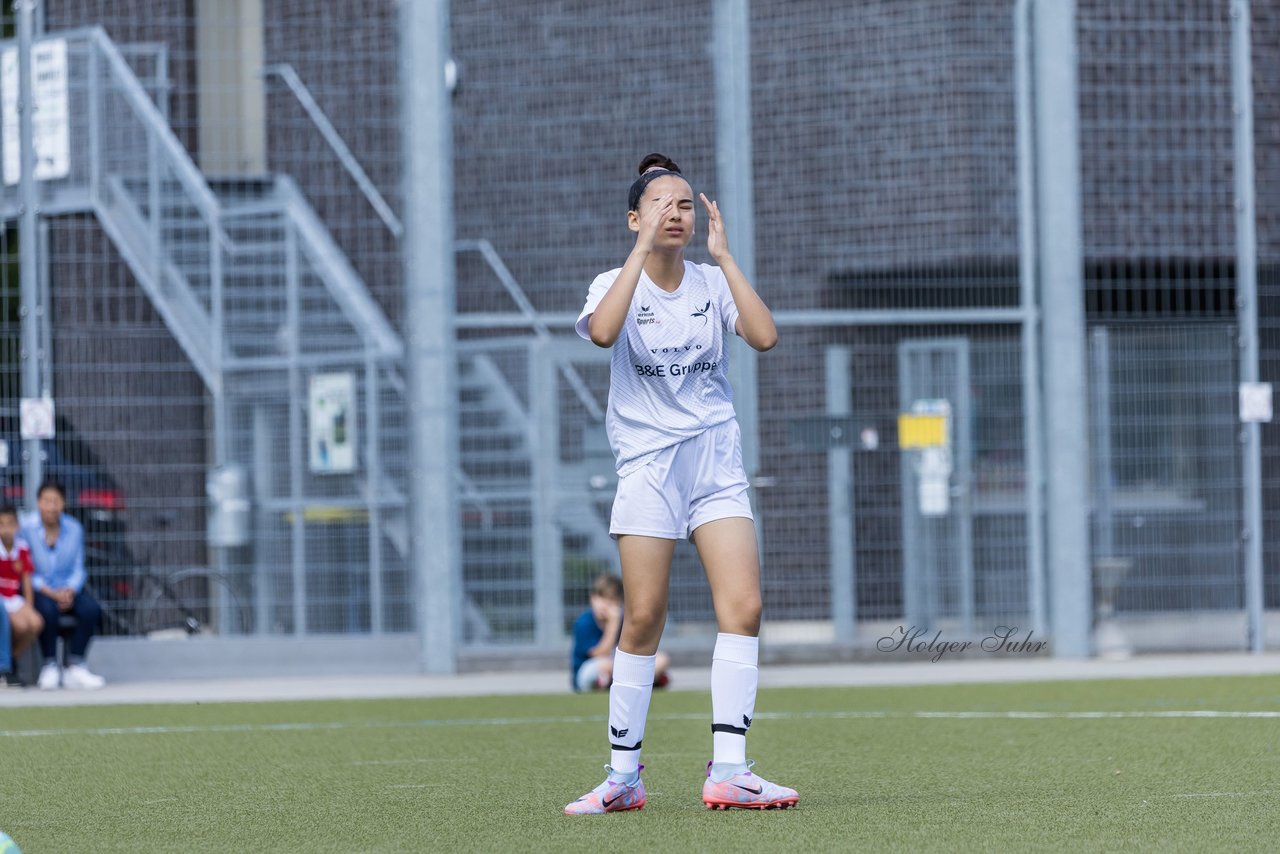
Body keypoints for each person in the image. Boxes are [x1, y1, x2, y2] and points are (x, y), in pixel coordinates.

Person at [564, 154, 797, 815]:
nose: (677, 214)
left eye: (686, 205)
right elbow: (603, 332)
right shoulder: (615, 282)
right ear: (636, 218)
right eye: (662, 205)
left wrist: (726, 260)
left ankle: (730, 768)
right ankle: (622, 777)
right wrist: (639, 252)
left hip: (714, 462)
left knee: (744, 608)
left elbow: (766, 336)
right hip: (648, 467)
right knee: (642, 618)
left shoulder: (708, 281)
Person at [23, 479, 106, 690]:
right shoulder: (26, 528)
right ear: (38, 502)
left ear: (63, 503)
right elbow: (26, 570)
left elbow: (79, 568)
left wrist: (70, 590)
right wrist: (51, 593)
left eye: (56, 501)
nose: (51, 506)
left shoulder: (74, 528)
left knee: (90, 610)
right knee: (47, 610)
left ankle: (75, 664)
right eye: (46, 501)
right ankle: (50, 664)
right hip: (40, 589)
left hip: (68, 589)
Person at [571, 573, 670, 693]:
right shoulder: (584, 622)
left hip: (620, 666)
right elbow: (600, 654)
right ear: (593, 599)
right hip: (590, 672)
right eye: (601, 599)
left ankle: (636, 681)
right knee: (605, 665)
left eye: (611, 600)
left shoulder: (625, 621)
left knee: (661, 659)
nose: (605, 605)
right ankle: (643, 681)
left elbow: (637, 650)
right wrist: (613, 624)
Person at [0, 503, 44, 682]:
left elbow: (26, 579)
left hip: (14, 599)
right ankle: (6, 666)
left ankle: (10, 659)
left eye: (10, 524)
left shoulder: (22, 548)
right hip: (2, 601)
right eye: (1, 524)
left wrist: (28, 604)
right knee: (19, 625)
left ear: (18, 526)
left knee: (35, 623)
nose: (6, 529)